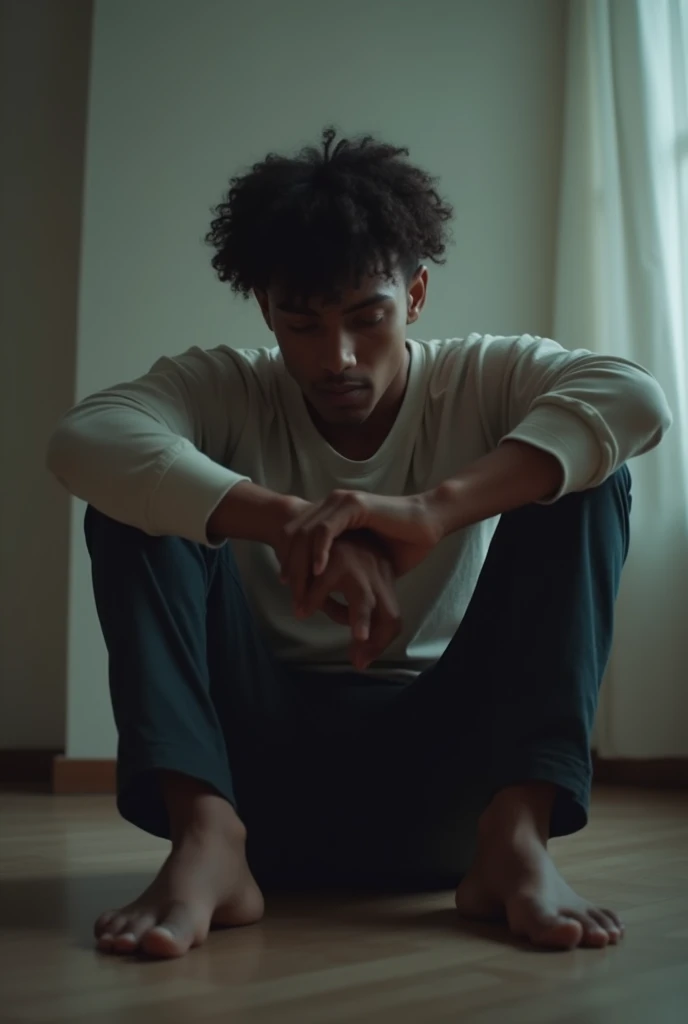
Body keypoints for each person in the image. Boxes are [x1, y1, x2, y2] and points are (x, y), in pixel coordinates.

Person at [47, 128, 671, 960]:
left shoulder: (482, 377)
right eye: (301, 324)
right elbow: (84, 438)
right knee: (132, 499)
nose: (336, 357)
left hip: (453, 794)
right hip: (252, 794)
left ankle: (518, 842)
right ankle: (204, 842)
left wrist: (431, 510)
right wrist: (286, 518)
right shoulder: (228, 387)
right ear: (267, 309)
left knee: (590, 480)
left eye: (366, 318)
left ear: (413, 296)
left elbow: (637, 399)